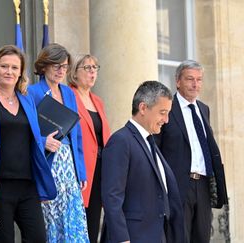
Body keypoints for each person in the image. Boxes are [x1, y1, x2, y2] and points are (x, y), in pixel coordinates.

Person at [0, 45, 57, 243]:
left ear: (20, 72)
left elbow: (29, 135)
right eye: (4, 66)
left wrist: (43, 141)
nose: (9, 71)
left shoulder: (27, 100)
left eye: (15, 68)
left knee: (38, 238)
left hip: (27, 184)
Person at [101, 81, 183, 243]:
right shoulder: (121, 141)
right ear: (143, 108)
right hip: (133, 236)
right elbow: (112, 197)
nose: (166, 120)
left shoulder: (150, 141)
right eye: (162, 112)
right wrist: (121, 239)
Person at [155, 60, 228, 243]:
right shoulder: (166, 108)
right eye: (190, 79)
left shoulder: (203, 109)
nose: (195, 84)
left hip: (203, 185)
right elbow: (156, 149)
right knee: (179, 237)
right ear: (178, 81)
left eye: (199, 79)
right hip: (179, 185)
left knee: (202, 237)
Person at [28, 43, 89, 242]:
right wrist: (42, 141)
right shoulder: (32, 92)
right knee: (50, 218)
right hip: (48, 162)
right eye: (56, 66)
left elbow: (76, 134)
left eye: (64, 66)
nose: (61, 70)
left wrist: (81, 171)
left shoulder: (69, 93)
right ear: (44, 66)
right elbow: (26, 129)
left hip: (68, 163)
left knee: (72, 218)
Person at [67, 54, 111, 243]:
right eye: (87, 68)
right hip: (80, 170)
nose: (93, 71)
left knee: (94, 223)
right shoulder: (68, 95)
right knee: (79, 225)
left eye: (95, 67)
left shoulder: (98, 101)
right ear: (74, 73)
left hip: (101, 169)